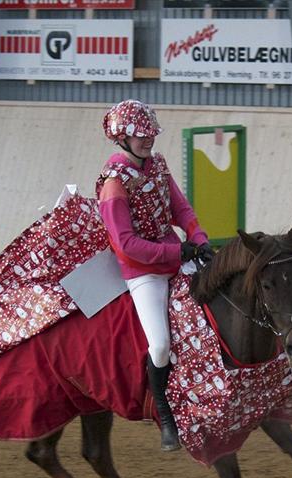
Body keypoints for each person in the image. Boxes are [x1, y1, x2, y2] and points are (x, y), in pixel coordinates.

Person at [96, 99, 213, 452]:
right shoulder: (114, 184)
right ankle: (164, 412)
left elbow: (180, 207)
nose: (149, 140)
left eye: (151, 134)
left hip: (175, 255)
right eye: (141, 136)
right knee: (160, 343)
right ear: (122, 138)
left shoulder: (157, 164)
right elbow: (127, 245)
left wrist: (199, 239)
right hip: (142, 271)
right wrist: (179, 251)